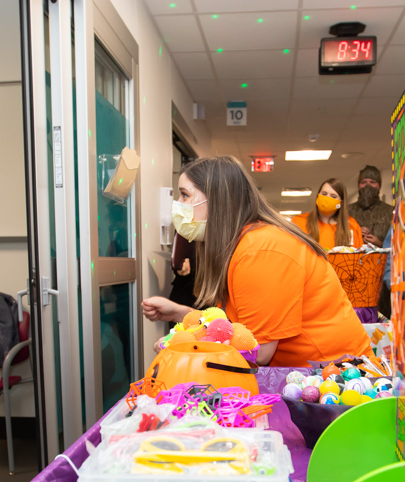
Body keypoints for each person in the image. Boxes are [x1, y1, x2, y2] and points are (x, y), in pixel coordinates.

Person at [142, 156, 372, 367]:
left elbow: (257, 351)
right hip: (310, 372)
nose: (179, 205)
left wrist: (183, 344)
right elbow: (231, 326)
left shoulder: (260, 249)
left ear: (218, 199)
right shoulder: (244, 244)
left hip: (335, 380)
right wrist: (180, 314)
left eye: (185, 195)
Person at [291, 178, 363, 250]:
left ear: (340, 203)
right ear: (318, 197)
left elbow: (359, 257)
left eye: (333, 196)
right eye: (324, 194)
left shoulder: (351, 226)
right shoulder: (299, 223)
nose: (327, 198)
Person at [348, 165, 394, 247]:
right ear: (358, 186)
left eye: (372, 182)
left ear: (379, 186)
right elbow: (339, 240)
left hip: (382, 258)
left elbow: (398, 243)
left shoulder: (390, 211)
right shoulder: (347, 211)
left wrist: (380, 244)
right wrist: (356, 232)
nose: (368, 185)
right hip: (353, 258)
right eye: (363, 182)